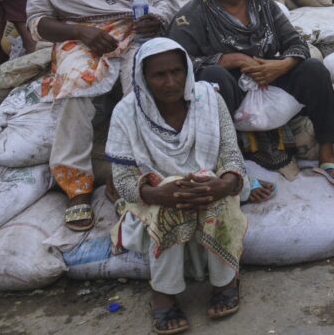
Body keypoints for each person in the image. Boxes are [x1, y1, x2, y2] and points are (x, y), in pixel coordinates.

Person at [26, 0, 179, 231]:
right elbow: (37, 21)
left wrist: (159, 16)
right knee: (76, 86)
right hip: (79, 35)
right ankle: (76, 186)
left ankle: (138, 174)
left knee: (144, 83)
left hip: (136, 28)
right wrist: (81, 33)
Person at [168, 0, 334, 188]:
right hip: (228, 87)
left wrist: (282, 66)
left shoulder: (263, 3)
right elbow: (175, 61)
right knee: (214, 77)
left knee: (314, 69)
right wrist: (228, 59)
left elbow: (296, 43)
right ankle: (231, 166)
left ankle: (327, 154)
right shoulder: (193, 14)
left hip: (268, 77)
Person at [107, 39, 249, 334]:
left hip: (210, 186)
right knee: (170, 198)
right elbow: (123, 181)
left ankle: (226, 281)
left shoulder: (209, 99)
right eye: (159, 75)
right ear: (143, 77)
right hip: (156, 194)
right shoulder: (125, 112)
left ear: (187, 71)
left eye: (177, 71)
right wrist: (157, 193)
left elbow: (231, 154)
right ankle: (164, 293)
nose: (170, 82)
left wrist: (224, 184)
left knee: (208, 187)